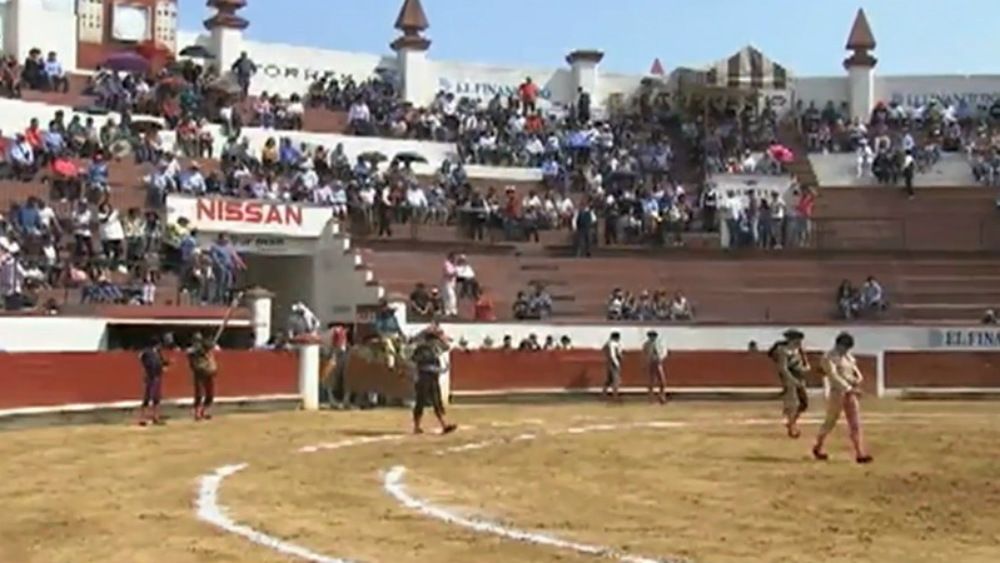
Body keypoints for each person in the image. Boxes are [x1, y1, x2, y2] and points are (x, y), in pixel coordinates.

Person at [813, 332, 874, 464]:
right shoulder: (828, 357)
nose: (846, 350)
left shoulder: (848, 357)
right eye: (845, 347)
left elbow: (857, 373)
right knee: (830, 422)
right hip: (838, 393)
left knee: (855, 423)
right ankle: (818, 447)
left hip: (850, 392)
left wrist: (857, 381)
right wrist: (849, 388)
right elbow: (833, 376)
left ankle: (859, 453)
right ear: (839, 345)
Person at [186, 296, 238, 420]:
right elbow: (192, 352)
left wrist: (208, 347)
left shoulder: (204, 346)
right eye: (196, 340)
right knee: (199, 394)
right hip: (200, 371)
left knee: (209, 394)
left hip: (208, 371)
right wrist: (205, 348)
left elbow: (206, 347)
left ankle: (202, 412)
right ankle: (197, 413)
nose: (197, 342)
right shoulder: (194, 349)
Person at [410, 327, 457, 435]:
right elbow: (419, 363)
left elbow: (447, 346)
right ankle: (416, 427)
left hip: (432, 377)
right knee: (421, 402)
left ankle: (444, 425)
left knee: (436, 401)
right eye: (436, 338)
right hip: (424, 378)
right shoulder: (423, 348)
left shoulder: (433, 348)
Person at [769, 328, 811, 438]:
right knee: (793, 403)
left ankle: (791, 422)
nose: (800, 342)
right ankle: (792, 427)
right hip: (789, 378)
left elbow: (805, 361)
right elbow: (783, 368)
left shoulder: (799, 349)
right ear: (791, 340)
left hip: (800, 377)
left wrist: (806, 368)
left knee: (804, 403)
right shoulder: (783, 351)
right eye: (798, 340)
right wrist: (793, 381)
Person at [138, 336, 170, 426]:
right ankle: (142, 418)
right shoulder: (147, 352)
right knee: (147, 397)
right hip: (150, 376)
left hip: (157, 376)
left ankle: (155, 417)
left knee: (156, 398)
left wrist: (166, 364)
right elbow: (147, 362)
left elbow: (161, 361)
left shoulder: (157, 352)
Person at [642, 331, 668, 404]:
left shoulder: (659, 343)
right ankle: (651, 397)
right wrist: (647, 360)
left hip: (658, 362)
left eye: (653, 336)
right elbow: (645, 353)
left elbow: (664, 352)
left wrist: (660, 358)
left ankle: (661, 396)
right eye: (650, 336)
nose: (652, 337)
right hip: (651, 363)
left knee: (662, 381)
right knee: (651, 381)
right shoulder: (646, 344)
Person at [602, 331, 623, 401]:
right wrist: (617, 364)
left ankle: (604, 395)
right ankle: (615, 397)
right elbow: (613, 355)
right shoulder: (613, 344)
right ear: (616, 337)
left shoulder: (608, 343)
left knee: (609, 380)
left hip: (609, 363)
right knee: (615, 380)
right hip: (613, 363)